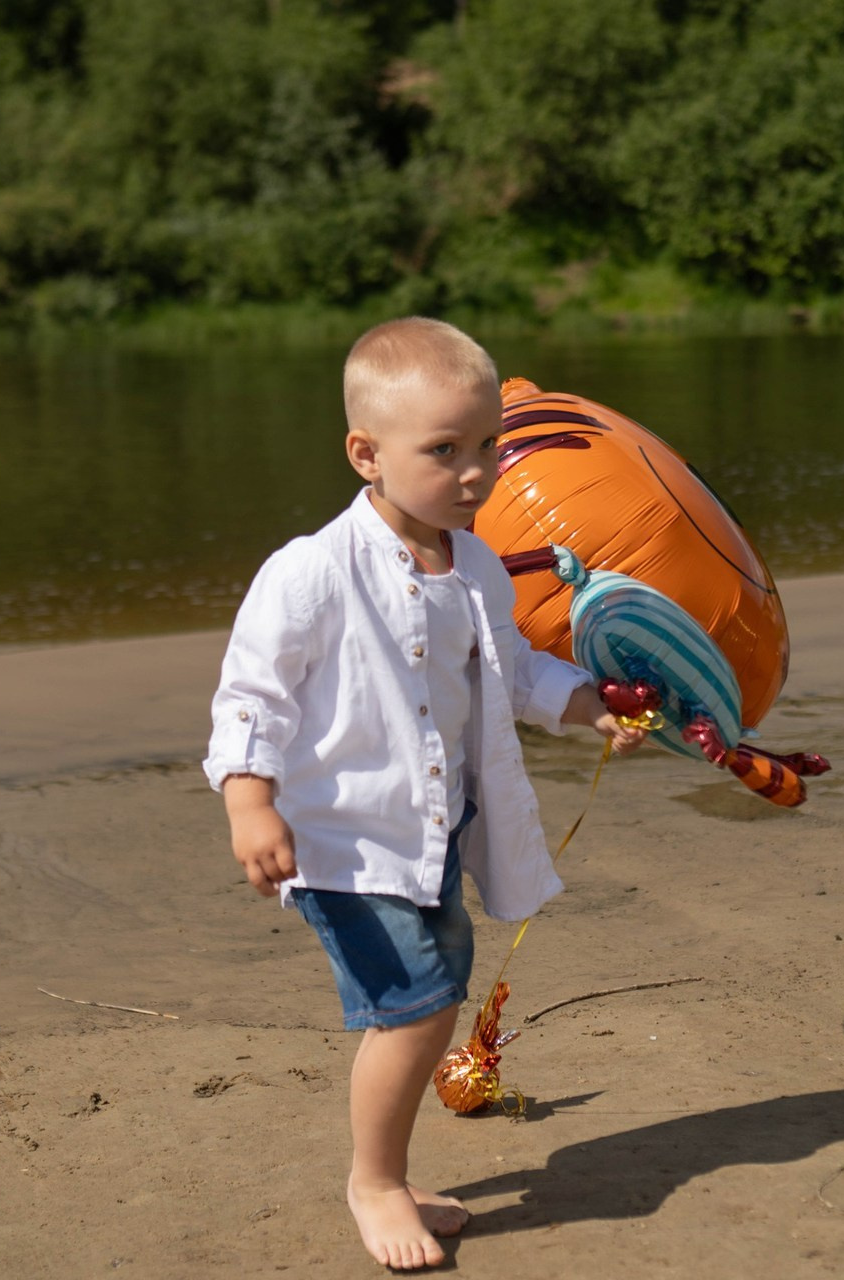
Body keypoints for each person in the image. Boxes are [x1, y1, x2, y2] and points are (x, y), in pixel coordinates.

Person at [204, 317, 644, 1270]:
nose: (475, 472)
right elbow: (252, 696)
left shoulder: (474, 563)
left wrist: (586, 704)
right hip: (344, 843)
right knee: (411, 1011)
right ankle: (373, 1183)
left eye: (487, 444)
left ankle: (391, 1175)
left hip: (435, 831)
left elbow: (512, 670)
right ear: (366, 454)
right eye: (444, 451)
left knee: (435, 998)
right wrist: (250, 801)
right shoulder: (312, 570)